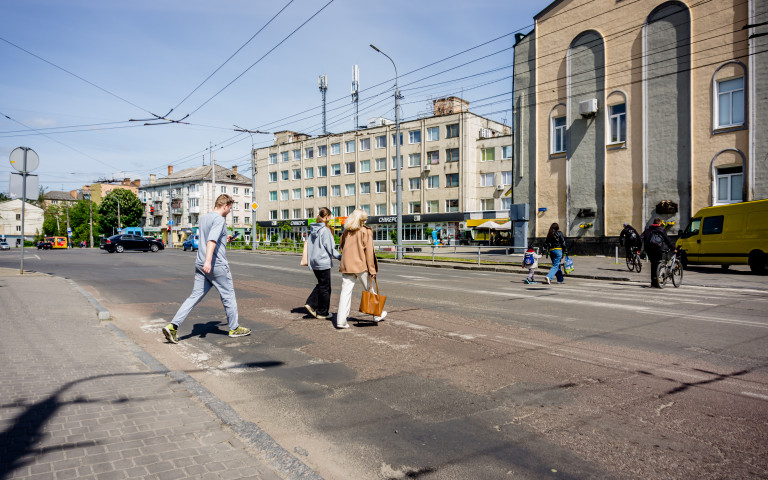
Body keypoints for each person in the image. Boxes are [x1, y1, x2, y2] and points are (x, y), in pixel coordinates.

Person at [162, 194, 251, 344]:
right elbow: (211, 241)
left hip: (199, 263)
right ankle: (234, 328)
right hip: (215, 265)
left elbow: (210, 237)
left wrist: (225, 238)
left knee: (194, 297)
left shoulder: (205, 218)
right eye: (230, 208)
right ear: (225, 206)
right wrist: (209, 261)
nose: (230, 211)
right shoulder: (219, 220)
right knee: (228, 296)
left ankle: (173, 326)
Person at [335, 209, 386, 329]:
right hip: (361, 266)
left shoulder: (346, 231)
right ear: (362, 220)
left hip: (347, 266)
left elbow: (342, 247)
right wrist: (372, 270)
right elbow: (369, 252)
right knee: (369, 290)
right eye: (365, 219)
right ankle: (376, 315)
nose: (366, 220)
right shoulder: (365, 231)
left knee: (345, 293)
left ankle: (341, 321)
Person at [304, 207, 341, 320]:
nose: (331, 218)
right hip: (323, 261)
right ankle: (321, 312)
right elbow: (330, 247)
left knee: (322, 285)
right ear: (326, 217)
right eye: (330, 216)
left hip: (314, 261)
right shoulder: (325, 230)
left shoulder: (313, 229)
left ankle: (312, 304)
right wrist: (340, 257)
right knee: (325, 288)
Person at [641, 217, 677, 288]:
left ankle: (653, 282)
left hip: (648, 249)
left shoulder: (647, 229)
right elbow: (667, 240)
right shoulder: (662, 229)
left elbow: (641, 237)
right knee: (658, 263)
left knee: (653, 264)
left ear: (653, 223)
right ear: (660, 223)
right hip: (657, 248)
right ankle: (657, 282)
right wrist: (673, 248)